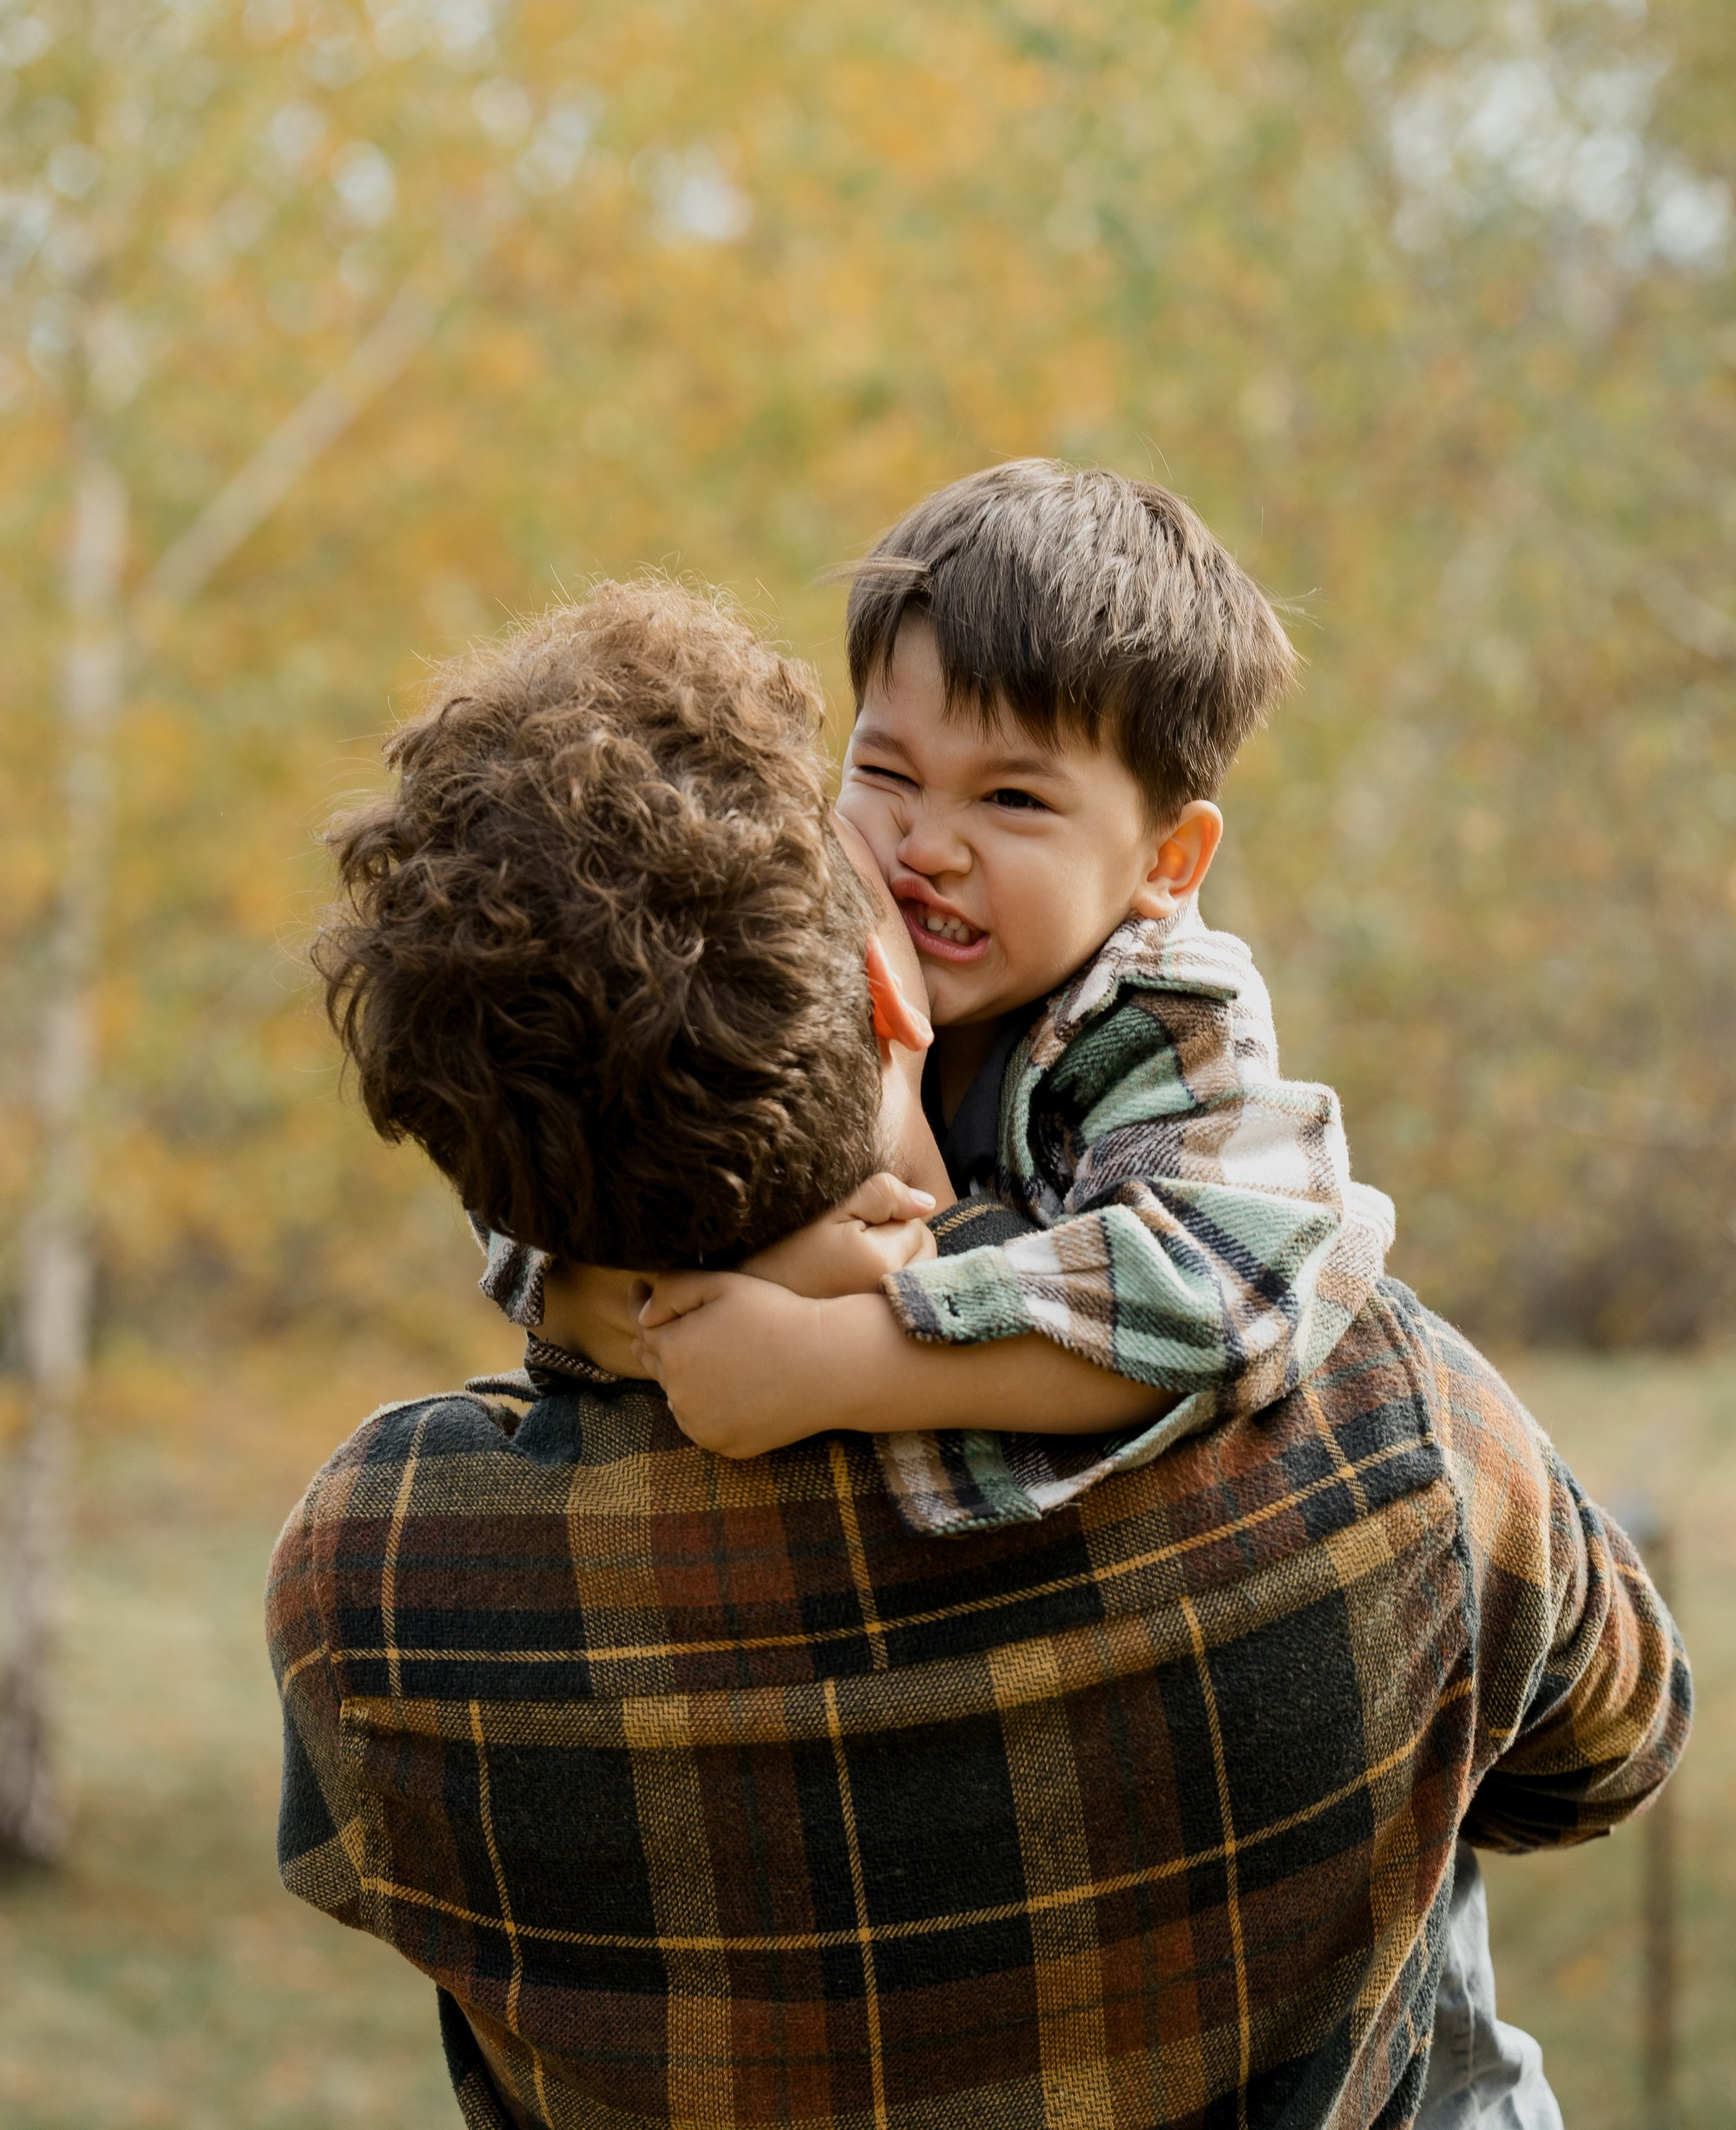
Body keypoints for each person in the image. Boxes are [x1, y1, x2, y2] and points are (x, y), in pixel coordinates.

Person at [273, 579, 1686, 2128]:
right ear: (888, 991)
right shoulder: (1378, 1419)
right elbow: (1610, 1749)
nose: (928, 851)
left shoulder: (383, 1581)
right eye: (879, 788)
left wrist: (671, 1303)